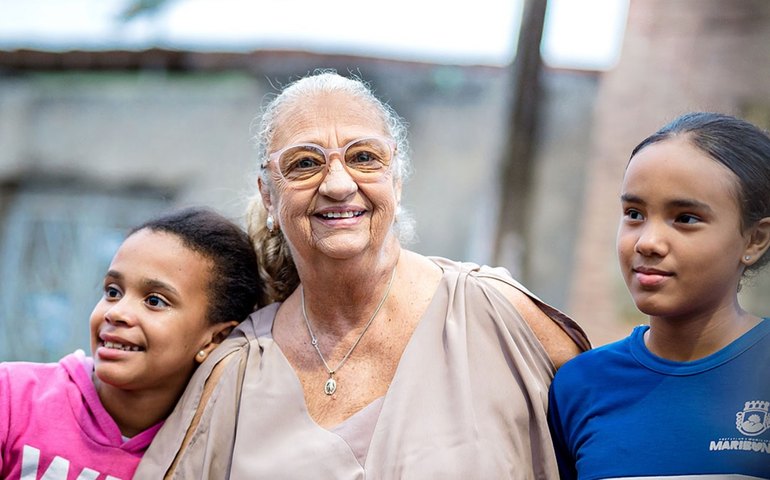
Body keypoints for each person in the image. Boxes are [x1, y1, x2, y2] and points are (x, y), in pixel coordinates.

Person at [135, 70, 590, 479]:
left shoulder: (498, 319)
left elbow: (616, 434)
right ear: (269, 196)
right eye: (305, 163)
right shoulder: (237, 371)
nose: (338, 184)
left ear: (397, 180)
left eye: (364, 157)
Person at [548, 112, 770, 479]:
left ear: (754, 240)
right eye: (634, 214)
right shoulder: (580, 385)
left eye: (686, 218)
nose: (647, 242)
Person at [0, 207, 263, 479]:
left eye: (154, 301)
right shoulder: (12, 397)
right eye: (113, 291)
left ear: (214, 339)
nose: (116, 312)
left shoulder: (208, 457)